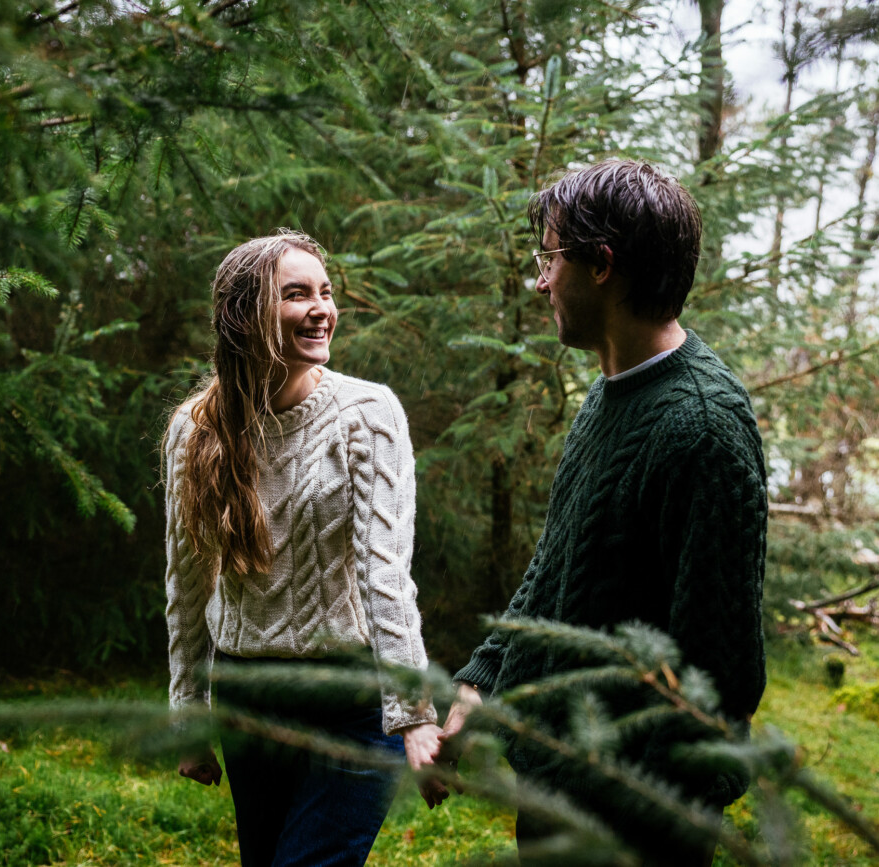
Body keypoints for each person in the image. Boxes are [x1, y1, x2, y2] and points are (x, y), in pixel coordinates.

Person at [438, 160, 768, 866]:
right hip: (557, 790)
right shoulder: (608, 395)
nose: (539, 279)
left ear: (601, 265)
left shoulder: (704, 428)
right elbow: (559, 565)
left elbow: (720, 673)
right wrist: (480, 681)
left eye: (549, 256)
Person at [163, 230, 446, 867]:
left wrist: (412, 712)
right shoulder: (196, 429)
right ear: (247, 316)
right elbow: (186, 582)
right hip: (248, 694)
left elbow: (385, 576)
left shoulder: (368, 414)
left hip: (348, 698)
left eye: (325, 292)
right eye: (296, 295)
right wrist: (188, 712)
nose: (322, 308)